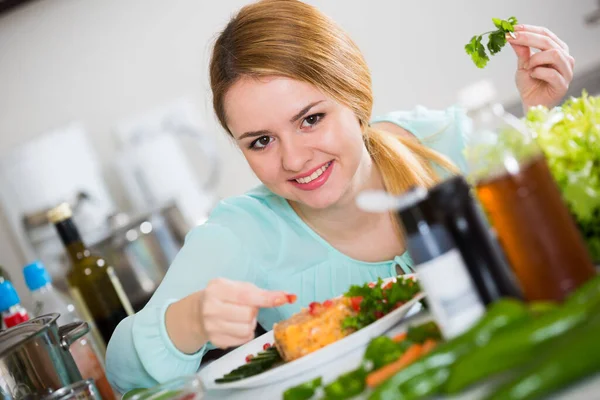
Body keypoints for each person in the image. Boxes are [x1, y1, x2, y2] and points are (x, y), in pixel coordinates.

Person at [105, 0, 574, 392]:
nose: (293, 159)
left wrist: (534, 121)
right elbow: (122, 377)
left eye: (311, 119)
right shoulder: (242, 235)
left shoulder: (444, 144)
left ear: (354, 96)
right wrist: (189, 322)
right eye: (260, 141)